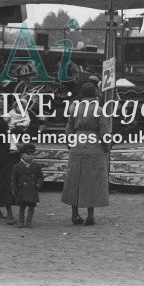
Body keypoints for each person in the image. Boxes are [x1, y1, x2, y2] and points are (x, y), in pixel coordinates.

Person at [61, 82, 110, 226]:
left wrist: (71, 145)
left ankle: (74, 214)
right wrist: (106, 148)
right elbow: (104, 132)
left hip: (77, 145)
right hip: (94, 147)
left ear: (81, 95)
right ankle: (90, 216)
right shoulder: (100, 110)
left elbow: (68, 129)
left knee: (74, 180)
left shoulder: (74, 108)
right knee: (92, 181)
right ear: (95, 94)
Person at [0, 95, 18, 224]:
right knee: (1, 181)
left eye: (2, 99)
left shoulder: (13, 115)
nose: (0, 101)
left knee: (7, 181)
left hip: (11, 151)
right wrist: (4, 122)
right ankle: (9, 213)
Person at [11, 143, 44, 228]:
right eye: (28, 154)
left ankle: (29, 221)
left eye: (32, 154)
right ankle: (21, 221)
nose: (31, 156)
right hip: (21, 190)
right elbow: (13, 179)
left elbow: (40, 177)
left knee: (31, 207)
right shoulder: (17, 166)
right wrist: (14, 188)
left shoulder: (36, 166)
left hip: (32, 190)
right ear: (22, 155)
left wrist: (38, 184)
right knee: (22, 207)